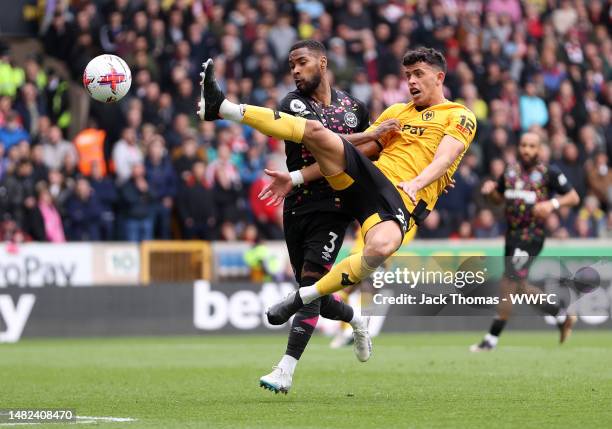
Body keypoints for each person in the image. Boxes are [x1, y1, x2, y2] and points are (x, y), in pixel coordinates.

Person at [198, 47, 476, 345]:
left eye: (418, 74)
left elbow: (446, 157)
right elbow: (357, 151)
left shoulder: (459, 115)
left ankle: (306, 298)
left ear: (439, 77)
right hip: (370, 181)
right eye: (408, 75)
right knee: (318, 133)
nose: (411, 82)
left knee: (380, 248)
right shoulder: (396, 112)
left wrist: (420, 182)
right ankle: (224, 108)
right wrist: (296, 177)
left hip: (402, 200)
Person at [253, 40, 396, 394]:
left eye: (302, 62)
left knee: (312, 283)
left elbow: (366, 156)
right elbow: (330, 141)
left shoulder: (354, 107)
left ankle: (285, 370)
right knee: (309, 290)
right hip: (297, 202)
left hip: (335, 206)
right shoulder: (292, 104)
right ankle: (355, 320)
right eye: (292, 66)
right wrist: (371, 134)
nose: (296, 71)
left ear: (323, 62)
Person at [470, 132, 580, 352]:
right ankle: (561, 315)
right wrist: (491, 192)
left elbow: (574, 197)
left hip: (531, 236)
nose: (526, 150)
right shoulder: (510, 172)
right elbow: (499, 199)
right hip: (512, 236)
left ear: (539, 149)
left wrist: (552, 205)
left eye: (531, 146)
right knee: (519, 288)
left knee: (507, 284)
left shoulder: (549, 173)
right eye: (523, 145)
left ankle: (490, 340)